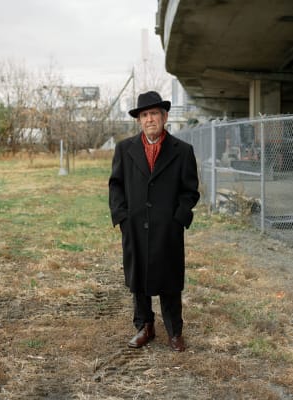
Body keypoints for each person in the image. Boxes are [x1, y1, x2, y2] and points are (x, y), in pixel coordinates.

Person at [108, 91, 200, 352]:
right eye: (145, 115)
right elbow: (116, 186)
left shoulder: (182, 151)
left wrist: (178, 220)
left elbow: (190, 191)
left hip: (167, 229)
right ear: (139, 120)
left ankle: (174, 332)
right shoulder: (125, 150)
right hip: (135, 227)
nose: (150, 119)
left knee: (170, 280)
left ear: (165, 117)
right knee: (139, 279)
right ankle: (145, 327)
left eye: (155, 114)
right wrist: (123, 218)